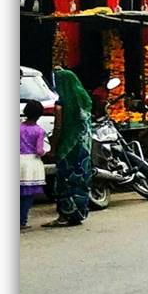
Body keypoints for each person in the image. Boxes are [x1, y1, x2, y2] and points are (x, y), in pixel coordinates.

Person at [45, 68, 93, 227]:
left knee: (65, 180)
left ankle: (65, 216)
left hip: (68, 147)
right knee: (81, 179)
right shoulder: (84, 100)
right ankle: (79, 213)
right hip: (83, 148)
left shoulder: (61, 104)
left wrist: (53, 147)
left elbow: (58, 129)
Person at [21, 100, 50, 229]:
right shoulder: (39, 131)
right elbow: (39, 150)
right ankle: (22, 220)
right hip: (31, 163)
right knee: (27, 195)